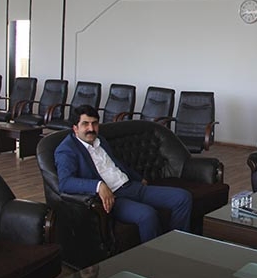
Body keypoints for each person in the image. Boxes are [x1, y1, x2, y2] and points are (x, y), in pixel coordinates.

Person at [54, 104, 192, 243]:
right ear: (75, 128)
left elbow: (116, 164)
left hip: (132, 186)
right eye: (85, 124)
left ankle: (177, 245)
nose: (91, 128)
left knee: (182, 197)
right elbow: (65, 183)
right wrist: (98, 185)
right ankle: (154, 255)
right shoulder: (67, 150)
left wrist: (138, 178)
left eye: (94, 123)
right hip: (115, 198)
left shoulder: (100, 140)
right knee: (147, 215)